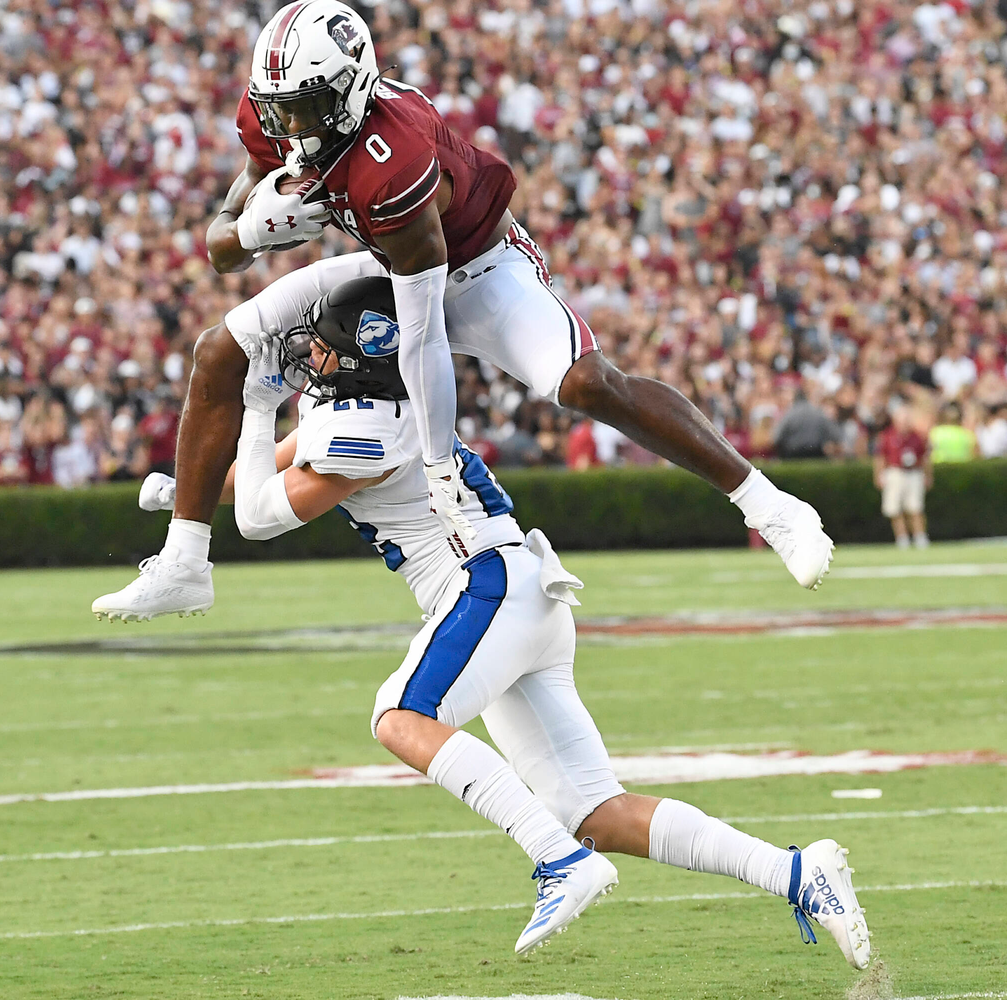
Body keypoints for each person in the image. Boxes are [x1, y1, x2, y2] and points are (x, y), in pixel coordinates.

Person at [111, 278, 871, 967]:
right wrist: (185, 486)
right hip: (519, 591)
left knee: (401, 718)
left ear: (360, 358)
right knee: (597, 812)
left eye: (323, 344)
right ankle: (798, 874)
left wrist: (248, 402)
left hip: (484, 587)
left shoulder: (366, 430)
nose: (308, 353)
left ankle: (555, 862)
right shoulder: (371, 408)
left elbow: (258, 519)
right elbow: (255, 476)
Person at [91, 0, 835, 622]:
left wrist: (442, 462)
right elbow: (220, 245)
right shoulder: (284, 117)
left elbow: (421, 337)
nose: (292, 128)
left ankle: (770, 506)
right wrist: (249, 230)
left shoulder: (396, 156)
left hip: (476, 269)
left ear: (351, 90)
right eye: (281, 109)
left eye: (308, 107)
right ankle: (185, 562)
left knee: (587, 385)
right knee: (221, 349)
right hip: (388, 260)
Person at [874, 407, 932, 548]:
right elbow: (880, 457)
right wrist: (878, 475)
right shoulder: (887, 436)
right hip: (895, 472)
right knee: (894, 508)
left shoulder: (917, 436)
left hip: (913, 472)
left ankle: (920, 537)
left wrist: (928, 475)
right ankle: (902, 538)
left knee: (915, 507)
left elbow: (925, 458)